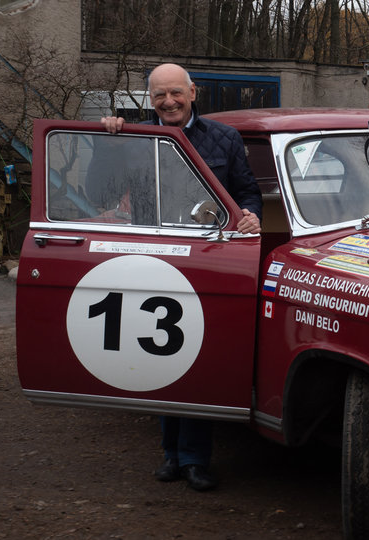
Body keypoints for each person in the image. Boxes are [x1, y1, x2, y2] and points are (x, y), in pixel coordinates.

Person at [101, 63, 263, 491]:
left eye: (176, 93)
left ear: (193, 92)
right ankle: (171, 454)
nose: (169, 102)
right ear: (149, 99)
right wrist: (106, 141)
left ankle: (194, 459)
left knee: (199, 355)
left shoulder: (223, 138)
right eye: (159, 96)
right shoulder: (132, 136)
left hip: (208, 257)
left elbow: (245, 191)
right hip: (151, 257)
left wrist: (250, 217)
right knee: (161, 351)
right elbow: (100, 189)